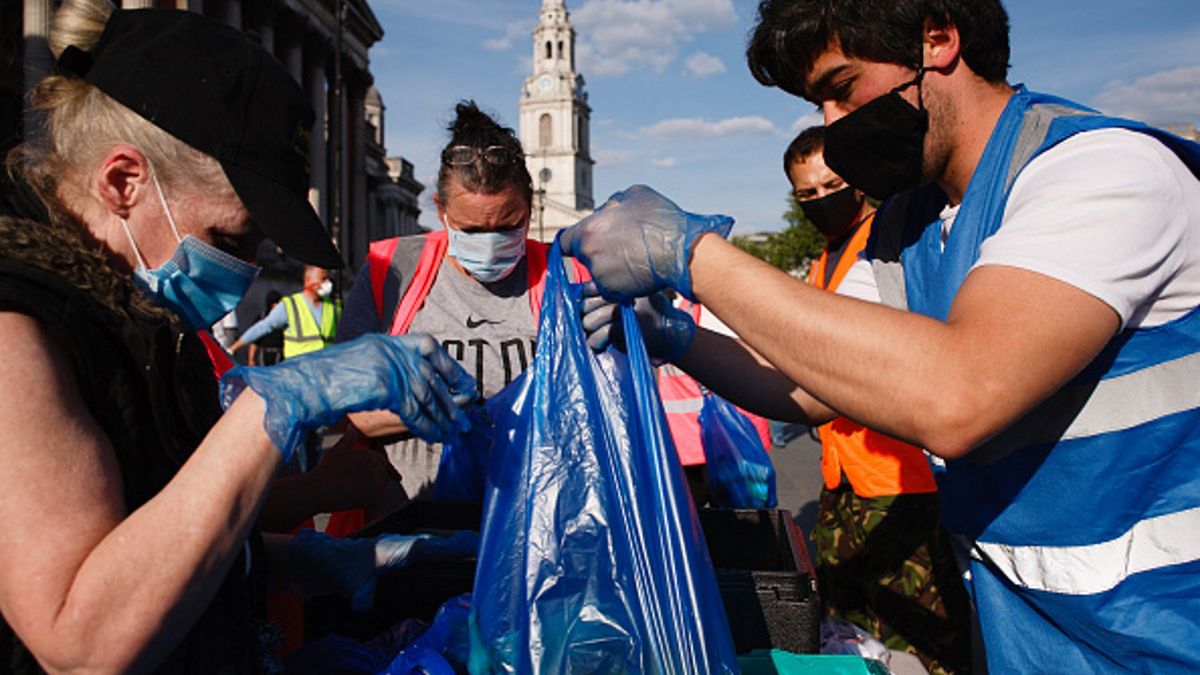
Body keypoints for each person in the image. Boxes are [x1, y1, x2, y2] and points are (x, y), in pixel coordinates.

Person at [562, 0, 1200, 671]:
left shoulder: (1101, 171)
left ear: (939, 39)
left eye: (842, 90)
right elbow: (808, 381)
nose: (835, 126)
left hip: (1163, 636)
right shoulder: (910, 227)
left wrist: (692, 255)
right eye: (820, 107)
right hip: (1037, 644)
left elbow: (958, 394)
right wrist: (673, 336)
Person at [0, 3, 477, 672]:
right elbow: (80, 642)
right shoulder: (17, 329)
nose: (251, 265)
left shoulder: (145, 320)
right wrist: (268, 408)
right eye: (230, 237)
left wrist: (299, 559)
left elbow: (151, 533)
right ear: (122, 181)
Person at [786, 126, 969, 674]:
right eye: (806, 195)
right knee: (853, 629)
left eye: (831, 184)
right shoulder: (826, 258)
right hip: (846, 479)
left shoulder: (886, 244)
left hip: (903, 478)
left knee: (919, 632)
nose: (822, 200)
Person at [336, 100, 586, 501]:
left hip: (534, 517)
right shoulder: (393, 269)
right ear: (442, 211)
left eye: (508, 226)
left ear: (530, 209)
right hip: (411, 520)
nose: (489, 244)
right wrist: (434, 410)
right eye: (472, 229)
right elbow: (348, 404)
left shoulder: (565, 276)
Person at [231, 265, 341, 359]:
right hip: (298, 370)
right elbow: (264, 327)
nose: (327, 283)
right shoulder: (290, 305)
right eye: (323, 279)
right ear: (307, 280)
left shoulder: (333, 307)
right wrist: (234, 347)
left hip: (324, 370)